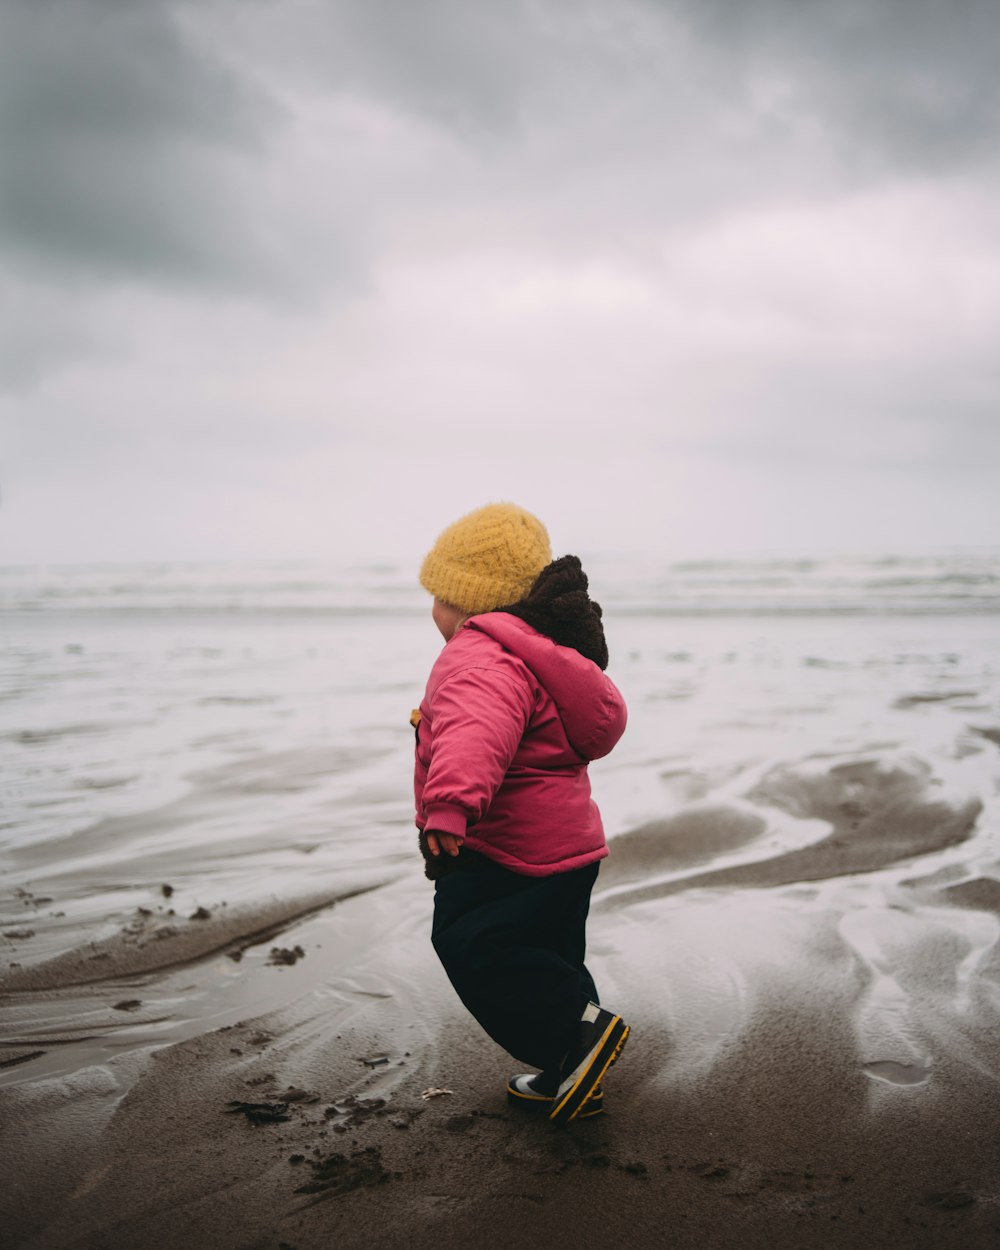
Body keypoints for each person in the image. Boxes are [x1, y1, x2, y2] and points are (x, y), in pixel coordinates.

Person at [412, 502, 630, 1124]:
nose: (434, 610)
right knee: (552, 957)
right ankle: (574, 1071)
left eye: (439, 595)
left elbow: (475, 734)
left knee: (475, 945)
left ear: (467, 600)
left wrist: (450, 807)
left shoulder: (479, 657)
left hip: (505, 850)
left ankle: (575, 1040)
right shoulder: (542, 653)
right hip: (568, 850)